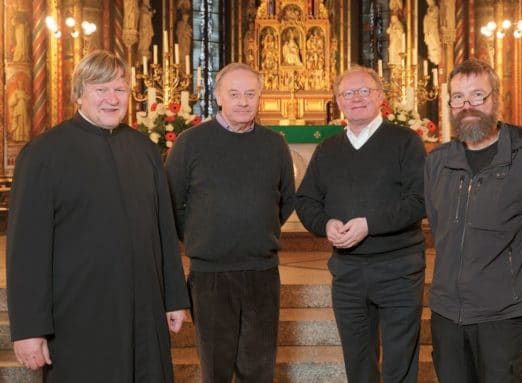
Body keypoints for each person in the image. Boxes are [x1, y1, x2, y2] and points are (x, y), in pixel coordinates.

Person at [7, 50, 190, 382]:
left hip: (143, 312)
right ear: (79, 93)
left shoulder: (144, 150)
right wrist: (29, 329)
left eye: (119, 89)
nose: (111, 98)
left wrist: (175, 298)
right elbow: (26, 251)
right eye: (100, 89)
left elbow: (164, 231)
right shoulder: (43, 154)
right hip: (77, 318)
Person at [424, 58, 522, 382]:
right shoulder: (437, 162)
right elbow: (440, 226)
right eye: (459, 98)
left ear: (496, 98)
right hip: (448, 314)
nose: (468, 106)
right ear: (449, 103)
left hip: (504, 315)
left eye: (478, 96)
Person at [296, 65, 427, 382]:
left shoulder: (405, 141)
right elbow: (306, 200)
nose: (356, 98)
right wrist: (325, 224)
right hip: (348, 272)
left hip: (398, 268)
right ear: (338, 101)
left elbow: (419, 200)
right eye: (347, 93)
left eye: (364, 91)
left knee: (400, 364)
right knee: (358, 363)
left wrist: (370, 224)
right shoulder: (328, 149)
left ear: (381, 97)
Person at [165, 62, 295, 383]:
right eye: (234, 94)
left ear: (260, 97)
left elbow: (286, 199)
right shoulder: (190, 143)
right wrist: (203, 237)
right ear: (218, 97)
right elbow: (171, 203)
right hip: (211, 274)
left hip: (261, 272)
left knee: (259, 369)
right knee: (216, 367)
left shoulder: (274, 143)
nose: (243, 101)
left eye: (250, 94)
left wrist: (255, 232)